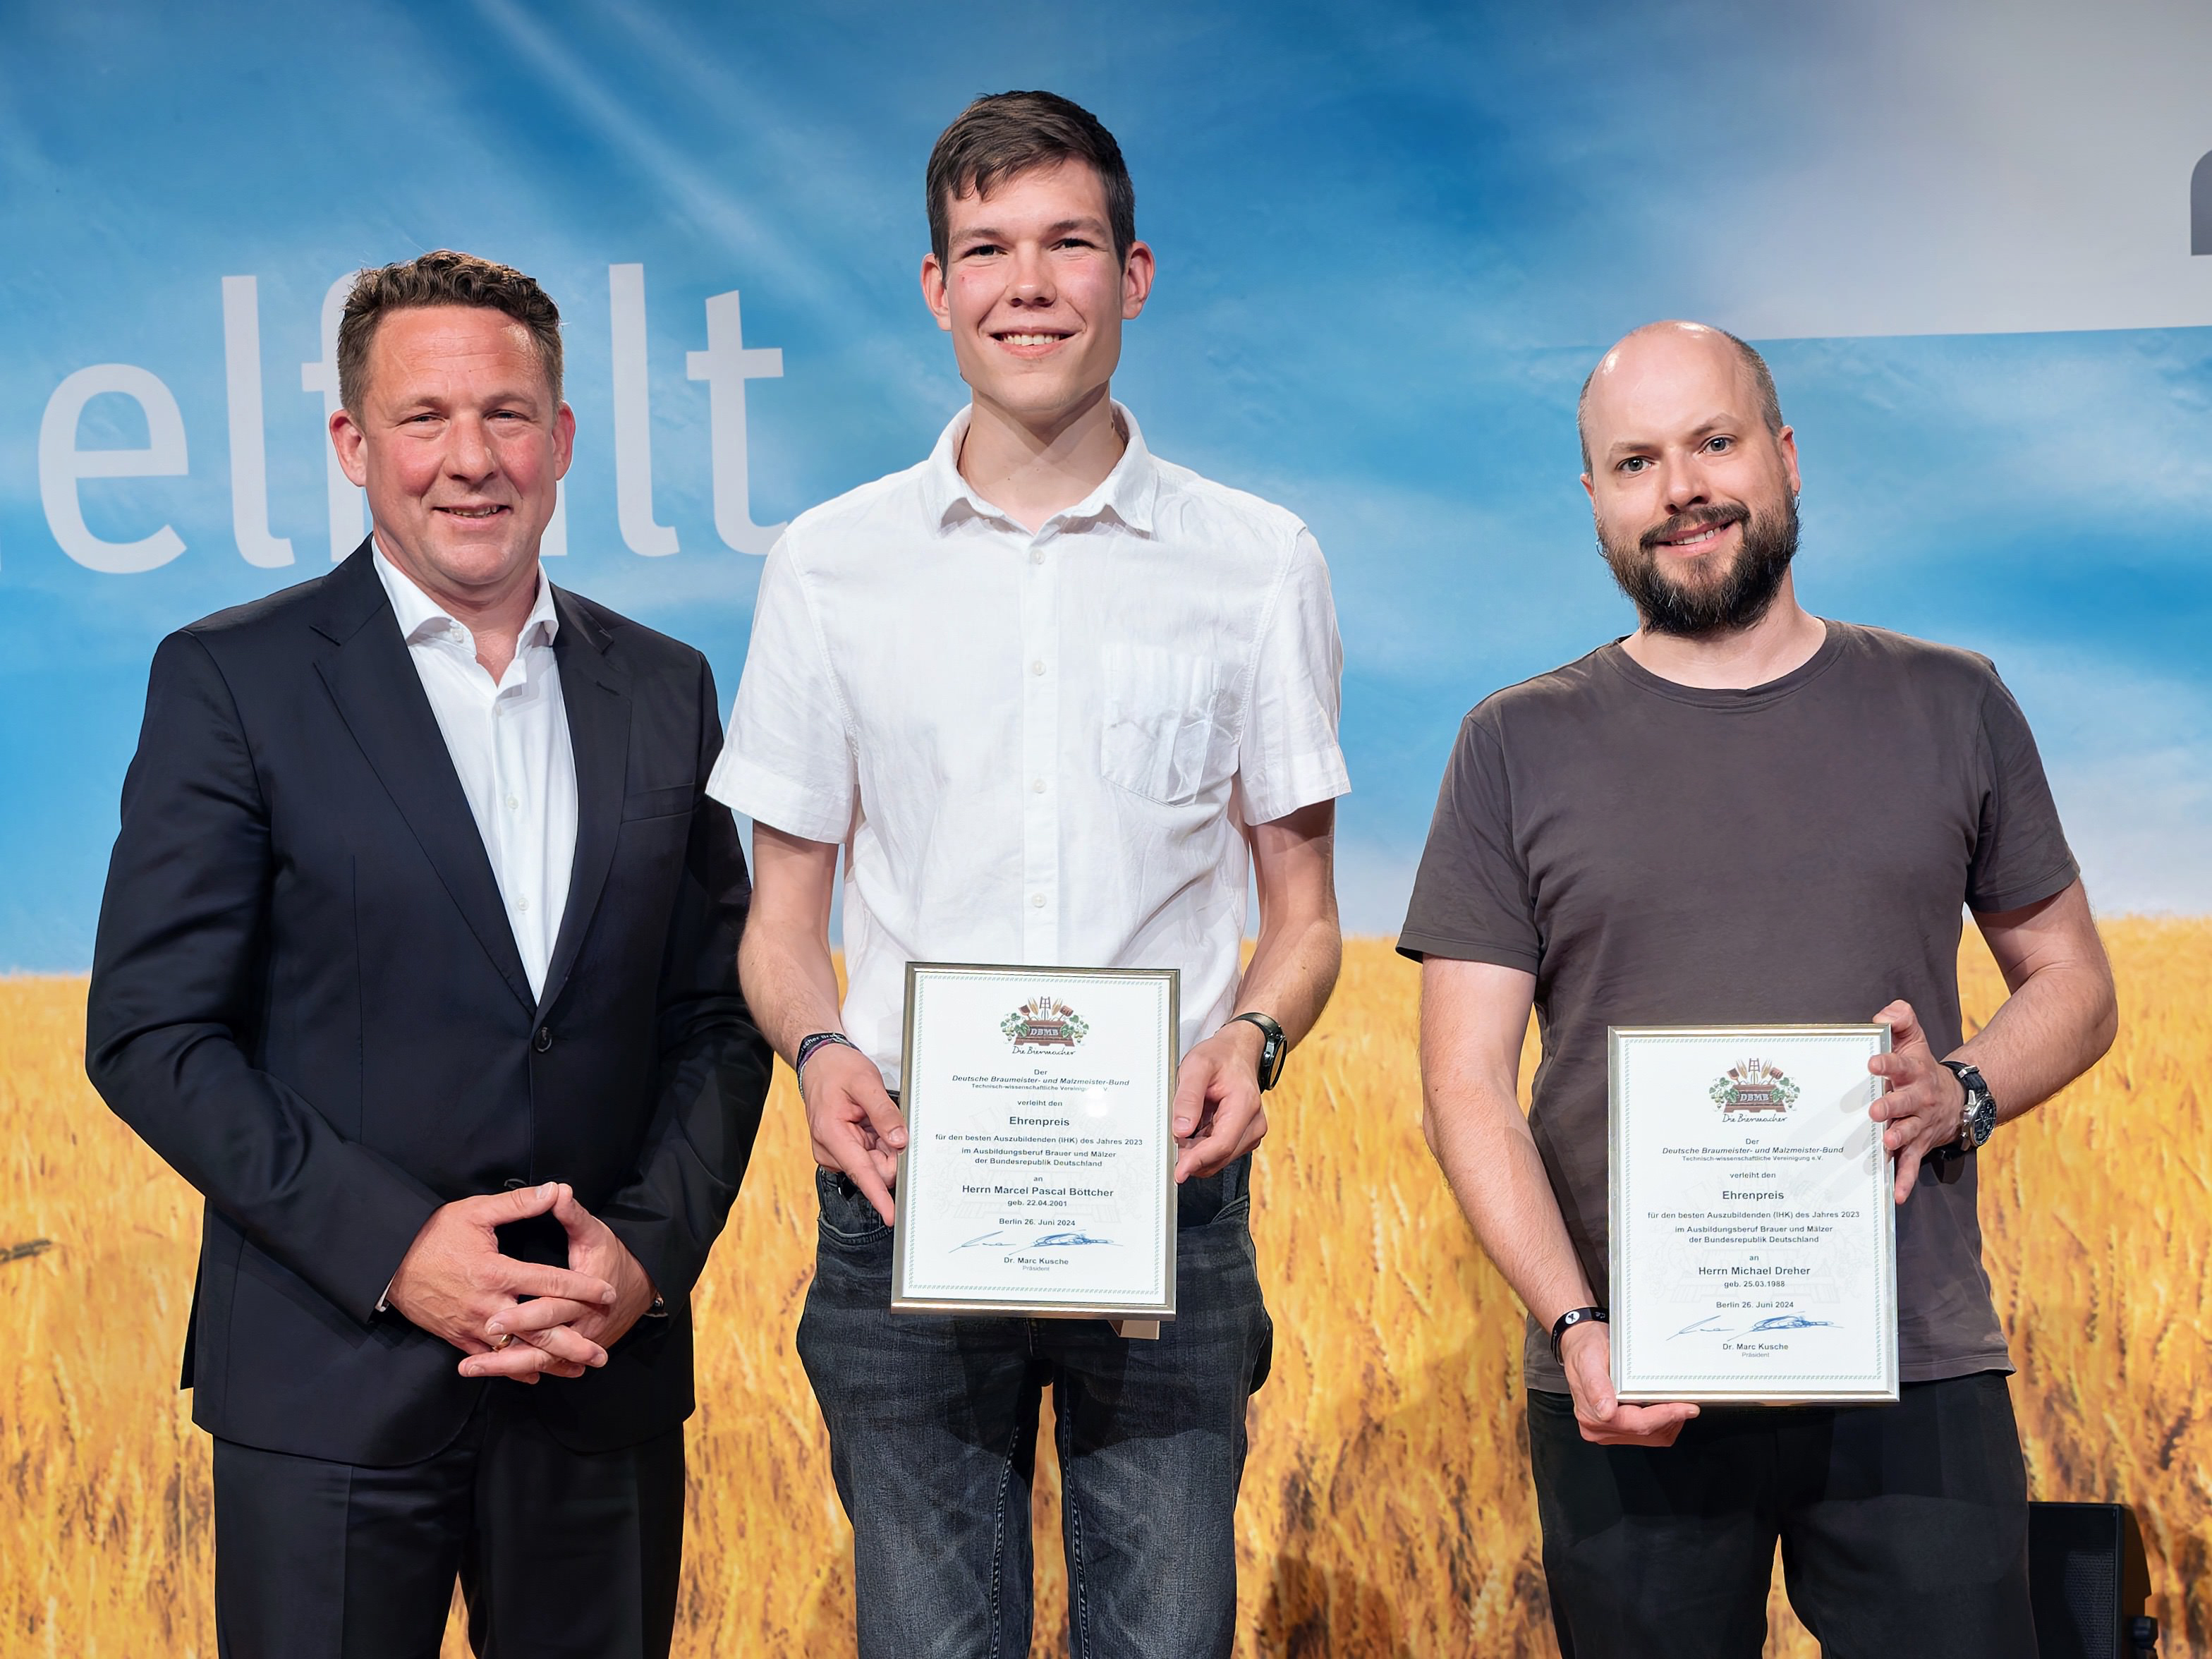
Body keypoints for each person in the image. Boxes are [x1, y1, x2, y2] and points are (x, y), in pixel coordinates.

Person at [717, 91, 1347, 1658]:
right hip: (904, 1188)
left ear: (1132, 275)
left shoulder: (1256, 558)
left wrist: (1248, 1041)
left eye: (1067, 244)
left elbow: (1305, 919)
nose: (1027, 284)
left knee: (1165, 1643)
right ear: (935, 290)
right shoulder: (829, 563)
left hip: (1169, 1197)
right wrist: (818, 1051)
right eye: (985, 249)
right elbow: (781, 929)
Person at [85, 250, 772, 1658]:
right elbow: (151, 1032)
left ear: (565, 439)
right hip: (330, 1393)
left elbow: (716, 1017)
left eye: (508, 415)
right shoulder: (234, 681)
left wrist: (641, 1264)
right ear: (352, 443)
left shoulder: (666, 689)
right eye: (425, 418)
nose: (472, 459)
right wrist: (398, 1251)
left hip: (598, 1379)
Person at [1404, 320, 2117, 1657]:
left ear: (1784, 458)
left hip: (1915, 1364)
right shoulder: (1514, 743)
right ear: (1597, 501)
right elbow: (1463, 1083)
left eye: (1714, 443)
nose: (1680, 489)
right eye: (1635, 462)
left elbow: (2075, 982)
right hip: (1628, 1378)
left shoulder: (1952, 702)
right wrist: (1575, 1325)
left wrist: (1960, 1091)